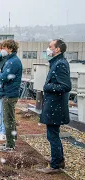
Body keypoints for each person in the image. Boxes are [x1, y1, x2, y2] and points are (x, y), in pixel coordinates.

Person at [36, 39, 71, 174]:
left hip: (56, 106)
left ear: (58, 49)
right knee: (53, 134)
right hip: (53, 105)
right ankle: (58, 159)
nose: (48, 49)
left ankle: (55, 165)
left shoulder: (60, 64)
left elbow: (66, 86)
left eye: (50, 47)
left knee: (52, 136)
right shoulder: (56, 62)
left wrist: (47, 86)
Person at [0, 40, 22, 152]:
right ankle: (11, 141)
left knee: (8, 120)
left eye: (4, 48)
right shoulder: (11, 60)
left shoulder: (13, 62)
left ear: (10, 48)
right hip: (8, 92)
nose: (2, 50)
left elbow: (5, 77)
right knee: (10, 118)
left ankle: (10, 145)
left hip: (9, 94)